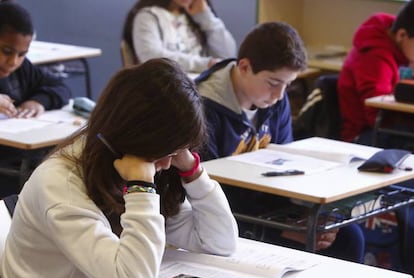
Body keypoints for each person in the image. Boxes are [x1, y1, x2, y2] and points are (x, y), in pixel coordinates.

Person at [0, 58, 238, 278]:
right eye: (165, 151)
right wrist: (141, 189)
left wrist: (192, 171)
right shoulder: (62, 184)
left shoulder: (133, 164)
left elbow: (219, 243)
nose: (168, 164)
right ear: (136, 136)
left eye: (177, 151)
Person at [196, 22, 365, 263]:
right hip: (228, 215)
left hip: (270, 204)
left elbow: (284, 166)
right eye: (274, 83)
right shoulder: (203, 109)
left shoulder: (274, 100)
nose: (279, 95)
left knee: (348, 237)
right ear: (244, 67)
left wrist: (305, 215)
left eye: (288, 85)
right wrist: (279, 229)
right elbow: (203, 190)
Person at [338, 0, 414, 146]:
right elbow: (377, 113)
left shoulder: (402, 51)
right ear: (402, 35)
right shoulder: (375, 57)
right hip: (364, 134)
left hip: (388, 126)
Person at [122, 0, 236, 72]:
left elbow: (227, 56)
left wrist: (206, 16)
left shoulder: (197, 17)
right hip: (167, 88)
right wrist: (205, 64)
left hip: (205, 88)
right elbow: (151, 56)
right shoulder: (148, 16)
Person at [0, 2, 70, 119]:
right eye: (6, 51)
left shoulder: (23, 69)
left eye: (22, 54)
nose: (13, 62)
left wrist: (38, 101)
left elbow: (60, 88)